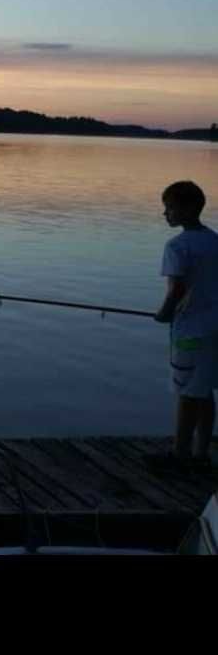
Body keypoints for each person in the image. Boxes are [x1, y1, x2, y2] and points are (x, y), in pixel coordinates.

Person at [150, 180, 218, 472]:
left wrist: (164, 314)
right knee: (203, 390)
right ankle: (201, 453)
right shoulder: (214, 240)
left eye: (170, 207)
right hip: (215, 330)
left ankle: (180, 455)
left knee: (186, 391)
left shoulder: (177, 246)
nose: (166, 213)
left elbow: (177, 288)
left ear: (189, 208)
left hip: (190, 332)